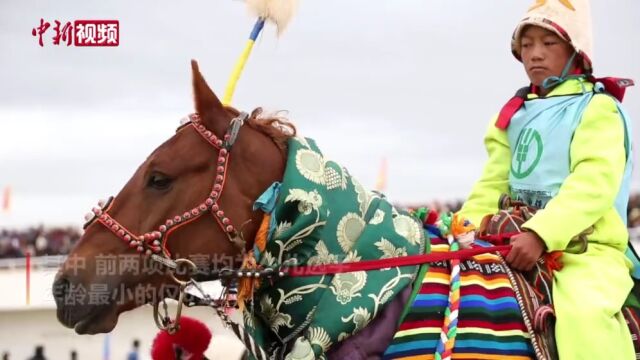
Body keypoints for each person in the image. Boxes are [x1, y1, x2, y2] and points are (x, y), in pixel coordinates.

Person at [458, 0, 635, 359]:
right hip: (508, 239)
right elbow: (493, 184)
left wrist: (541, 233)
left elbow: (593, 183)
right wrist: (464, 227)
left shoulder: (597, 109)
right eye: (526, 45)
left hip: (585, 249)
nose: (535, 54)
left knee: (585, 316)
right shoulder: (512, 115)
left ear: (576, 50)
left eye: (549, 43)